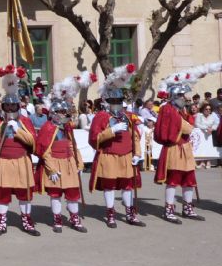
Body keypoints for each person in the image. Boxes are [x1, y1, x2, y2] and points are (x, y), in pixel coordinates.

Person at [154, 63, 221, 223]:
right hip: (175, 148)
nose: (186, 98)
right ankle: (169, 210)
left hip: (185, 148)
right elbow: (186, 127)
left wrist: (189, 118)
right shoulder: (168, 109)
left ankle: (187, 208)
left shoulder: (180, 110)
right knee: (173, 180)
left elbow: (190, 124)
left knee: (189, 180)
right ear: (176, 96)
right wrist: (189, 122)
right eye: (183, 96)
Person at [35, 71, 95, 234]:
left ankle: (75, 219)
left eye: (65, 112)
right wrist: (51, 169)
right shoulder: (48, 128)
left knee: (72, 193)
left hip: (69, 164)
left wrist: (79, 163)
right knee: (55, 194)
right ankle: (57, 220)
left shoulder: (67, 127)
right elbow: (44, 151)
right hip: (55, 164)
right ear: (54, 113)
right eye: (61, 112)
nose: (64, 115)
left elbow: (73, 146)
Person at [0, 65, 39, 237]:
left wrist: (18, 130)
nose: (9, 110)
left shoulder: (25, 121)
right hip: (2, 163)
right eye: (6, 108)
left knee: (24, 194)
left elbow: (33, 143)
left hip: (22, 161)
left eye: (12, 107)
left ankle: (27, 221)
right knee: (3, 194)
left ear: (17, 107)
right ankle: (1, 223)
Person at [89, 64, 145, 228]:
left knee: (127, 186)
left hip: (127, 155)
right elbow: (94, 139)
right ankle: (110, 214)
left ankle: (130, 213)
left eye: (119, 100)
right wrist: (110, 131)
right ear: (107, 101)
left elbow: (135, 136)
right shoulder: (101, 116)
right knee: (110, 185)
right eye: (114, 100)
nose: (117, 103)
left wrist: (137, 153)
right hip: (109, 155)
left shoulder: (128, 116)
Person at [194, 103, 219, 168]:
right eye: (206, 109)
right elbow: (197, 124)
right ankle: (201, 161)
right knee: (201, 147)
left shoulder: (213, 115)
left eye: (209, 109)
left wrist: (212, 128)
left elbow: (216, 123)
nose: (208, 110)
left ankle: (208, 161)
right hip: (201, 134)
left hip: (210, 134)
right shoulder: (199, 115)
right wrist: (206, 128)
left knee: (208, 147)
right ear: (203, 109)